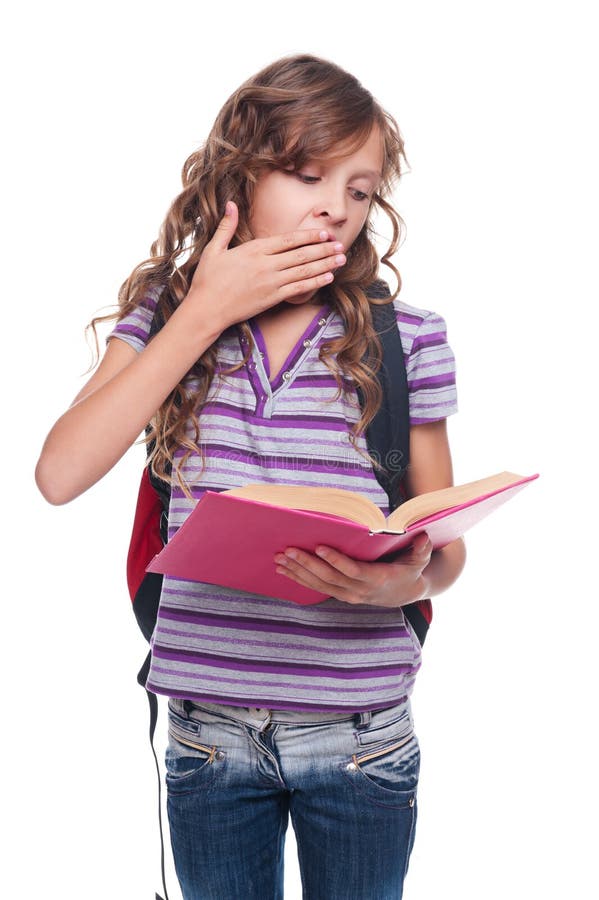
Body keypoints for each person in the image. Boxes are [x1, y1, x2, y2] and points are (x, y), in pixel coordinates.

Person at [36, 53, 466, 900]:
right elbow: (59, 473)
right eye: (308, 174)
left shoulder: (405, 336)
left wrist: (404, 583)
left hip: (361, 737)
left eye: (360, 188)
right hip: (207, 737)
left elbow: (441, 549)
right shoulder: (169, 314)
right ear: (240, 173)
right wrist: (203, 310)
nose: (334, 209)